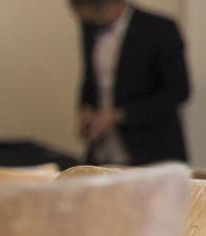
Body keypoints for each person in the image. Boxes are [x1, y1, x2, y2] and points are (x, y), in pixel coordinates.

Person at [71, 0, 190, 165]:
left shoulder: (160, 28)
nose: (94, 22)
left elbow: (178, 91)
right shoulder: (90, 27)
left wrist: (118, 115)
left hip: (151, 149)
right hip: (103, 152)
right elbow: (91, 77)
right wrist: (85, 108)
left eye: (97, 15)